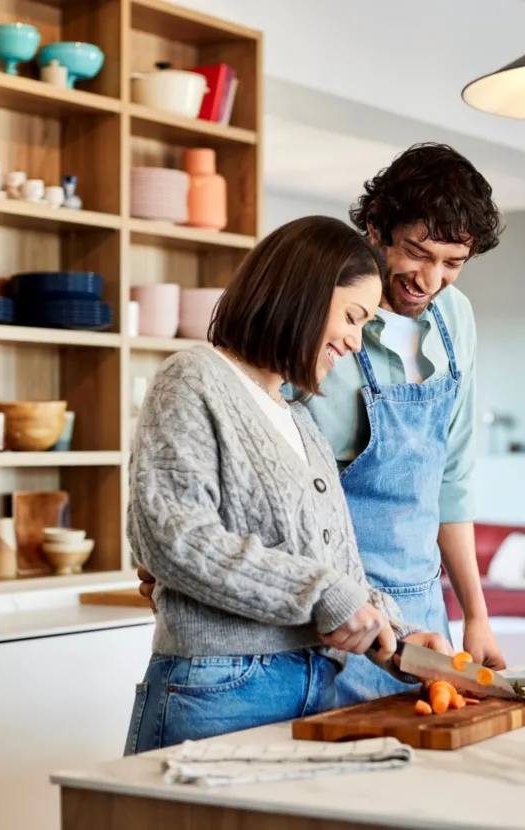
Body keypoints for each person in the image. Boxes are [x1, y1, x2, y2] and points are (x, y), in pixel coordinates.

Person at [139, 143, 508, 707]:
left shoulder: (455, 320)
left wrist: (474, 615)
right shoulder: (260, 361)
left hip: (400, 621)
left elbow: (451, 480)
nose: (432, 280)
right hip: (322, 624)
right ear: (376, 225)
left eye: (453, 264)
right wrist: (169, 570)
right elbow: (217, 498)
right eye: (418, 253)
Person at [123, 215, 451, 755]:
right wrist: (325, 595)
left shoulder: (299, 420)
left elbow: (335, 570)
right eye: (351, 317)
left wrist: (400, 637)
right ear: (303, 293)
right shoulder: (194, 379)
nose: (353, 341)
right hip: (220, 687)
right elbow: (172, 538)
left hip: (315, 683)